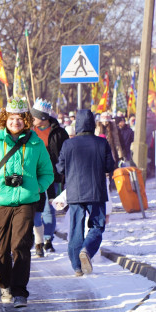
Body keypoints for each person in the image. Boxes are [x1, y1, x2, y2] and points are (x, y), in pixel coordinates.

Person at [0, 98, 54, 308]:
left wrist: (36, 188)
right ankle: (5, 284)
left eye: (19, 118)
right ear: (4, 120)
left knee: (21, 246)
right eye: (11, 118)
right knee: (2, 248)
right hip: (0, 202)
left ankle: (20, 292)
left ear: (26, 120)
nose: (15, 122)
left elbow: (48, 173)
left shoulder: (36, 143)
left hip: (26, 201)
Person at [57, 110, 115, 275]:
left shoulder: (68, 144)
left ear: (77, 125)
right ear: (92, 123)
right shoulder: (101, 143)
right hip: (96, 190)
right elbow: (109, 166)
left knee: (75, 227)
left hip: (75, 192)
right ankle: (87, 250)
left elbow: (60, 168)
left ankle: (77, 266)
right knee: (97, 225)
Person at [30, 99, 69, 257]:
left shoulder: (59, 133)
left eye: (35, 116)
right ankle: (37, 238)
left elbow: (65, 154)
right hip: (32, 176)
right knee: (35, 210)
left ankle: (48, 240)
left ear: (43, 117)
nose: (32, 119)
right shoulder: (29, 132)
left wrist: (62, 172)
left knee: (48, 209)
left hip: (52, 176)